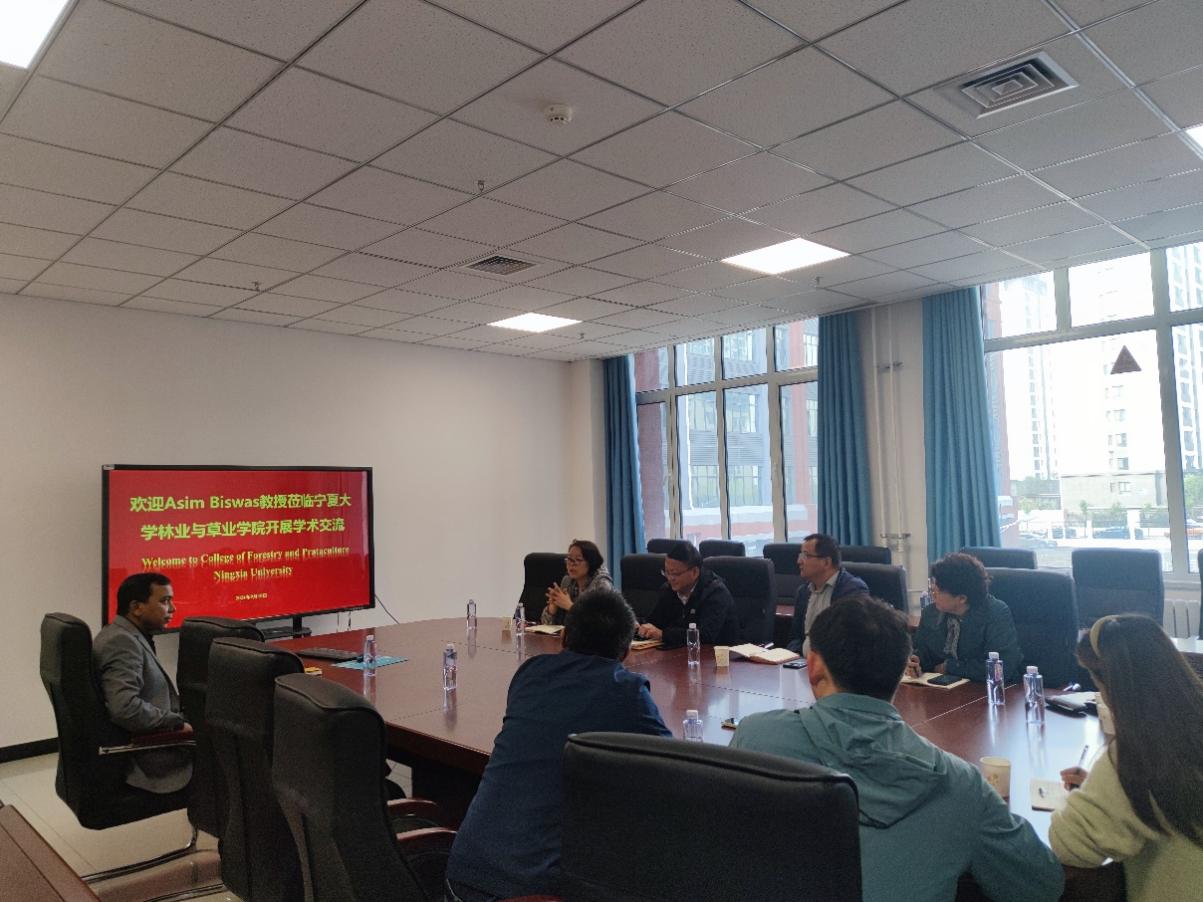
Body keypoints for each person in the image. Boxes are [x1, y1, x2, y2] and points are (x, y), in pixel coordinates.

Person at [732, 596, 1062, 902]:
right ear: (903, 668)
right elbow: (1042, 885)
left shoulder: (756, 740)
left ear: (814, 666)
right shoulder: (961, 784)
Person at [445, 588, 671, 901]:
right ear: (625, 654)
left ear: (563, 637)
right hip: (529, 892)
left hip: (461, 878)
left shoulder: (529, 674)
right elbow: (673, 770)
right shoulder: (626, 692)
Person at [1049, 615, 1203, 901]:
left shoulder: (1144, 749)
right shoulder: (1189, 725)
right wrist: (1103, 788)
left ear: (1112, 685)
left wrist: (1083, 796)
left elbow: (1069, 844)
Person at [92, 572, 192, 794]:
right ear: (136, 607)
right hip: (150, 761)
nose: (172, 608)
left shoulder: (121, 633)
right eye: (164, 601)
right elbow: (125, 708)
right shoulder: (121, 643)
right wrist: (176, 723)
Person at [908, 552, 1024, 682]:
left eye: (938, 592)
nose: (932, 595)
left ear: (962, 598)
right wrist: (915, 662)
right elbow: (923, 652)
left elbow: (1002, 667)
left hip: (987, 689)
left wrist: (949, 668)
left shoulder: (996, 613)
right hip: (942, 688)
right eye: (932, 589)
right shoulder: (931, 613)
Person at [635, 541, 740, 647]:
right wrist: (637, 624)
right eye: (667, 572)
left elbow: (706, 636)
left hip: (718, 654)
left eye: (675, 573)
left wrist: (663, 635)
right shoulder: (668, 590)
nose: (670, 578)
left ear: (694, 572)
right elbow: (655, 621)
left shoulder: (715, 592)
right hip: (680, 652)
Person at [786, 533, 869, 654]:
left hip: (835, 663)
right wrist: (794, 657)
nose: (799, 561)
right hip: (803, 662)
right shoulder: (803, 592)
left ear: (826, 562)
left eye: (805, 556)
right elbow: (795, 637)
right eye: (800, 555)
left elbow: (851, 641)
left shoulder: (852, 591)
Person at [540, 539, 612, 626]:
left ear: (591, 562)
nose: (571, 564)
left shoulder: (602, 586)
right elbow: (548, 625)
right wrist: (552, 609)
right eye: (569, 559)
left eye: (578, 559)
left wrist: (570, 607)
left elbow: (600, 625)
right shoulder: (567, 582)